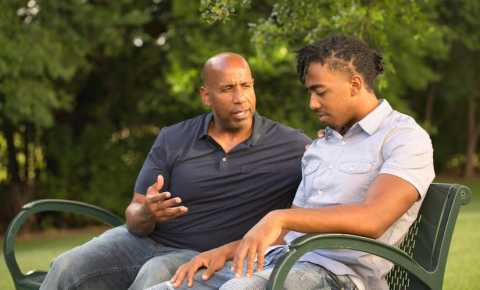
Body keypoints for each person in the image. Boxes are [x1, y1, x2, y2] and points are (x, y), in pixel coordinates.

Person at [149, 35, 435, 290]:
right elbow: (289, 232)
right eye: (309, 92)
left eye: (320, 91)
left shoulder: (403, 138)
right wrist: (222, 252)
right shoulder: (323, 145)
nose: (311, 103)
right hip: (282, 261)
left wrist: (279, 216)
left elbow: (373, 218)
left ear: (355, 84)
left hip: (339, 276)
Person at [39, 52, 311, 290]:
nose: (240, 98)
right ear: (206, 96)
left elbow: (327, 180)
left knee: (153, 274)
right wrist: (147, 212)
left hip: (203, 254)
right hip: (142, 240)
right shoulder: (174, 138)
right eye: (228, 89)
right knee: (66, 265)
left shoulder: (291, 146)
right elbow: (134, 214)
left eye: (246, 86)